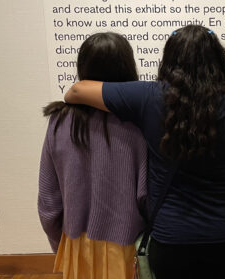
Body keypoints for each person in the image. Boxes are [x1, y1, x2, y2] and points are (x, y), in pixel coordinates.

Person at [64, 25, 225, 279]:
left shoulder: (146, 96)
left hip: (170, 236)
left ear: (169, 58)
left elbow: (75, 91)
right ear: (218, 59)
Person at [38, 32, 148, 279]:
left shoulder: (59, 121)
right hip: (129, 247)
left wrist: (61, 244)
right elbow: (147, 196)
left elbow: (48, 200)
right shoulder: (137, 123)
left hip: (77, 243)